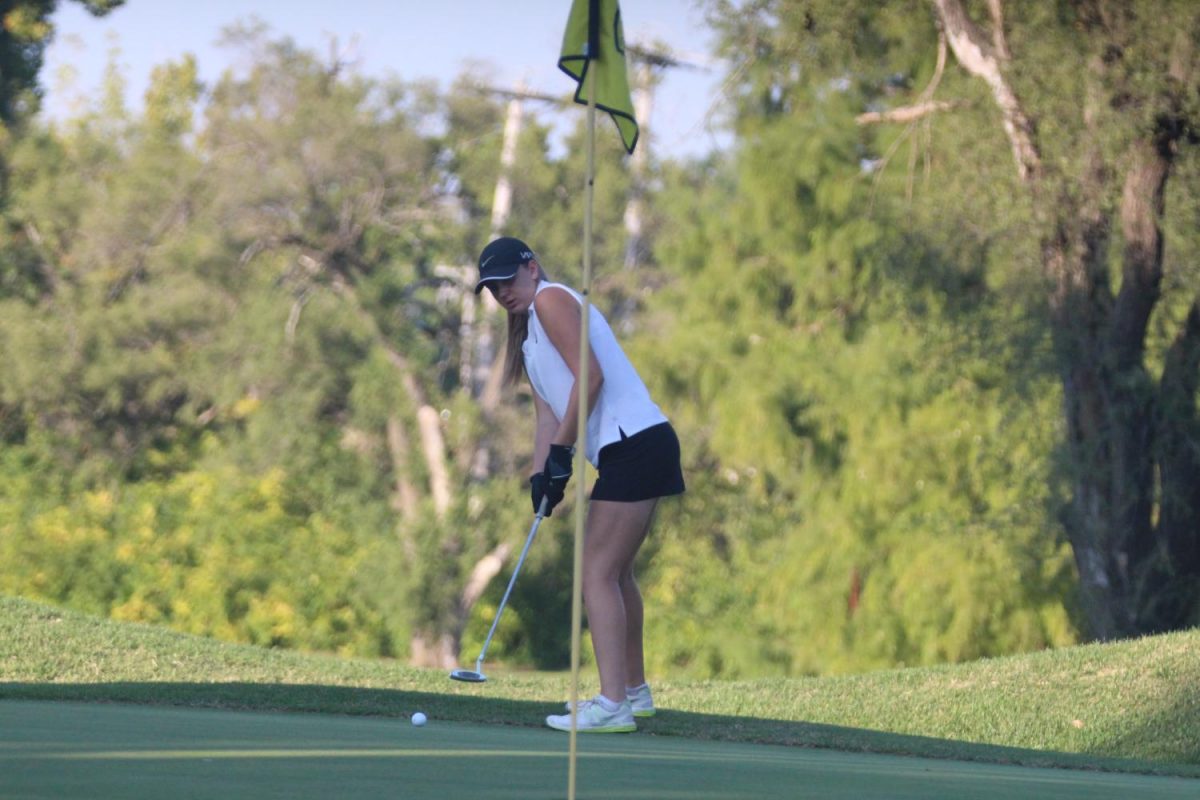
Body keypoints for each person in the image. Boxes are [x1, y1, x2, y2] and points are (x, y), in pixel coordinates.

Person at [473, 236, 685, 733]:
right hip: (632, 447)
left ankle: (612, 705)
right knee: (615, 573)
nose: (502, 292)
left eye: (508, 279)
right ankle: (634, 692)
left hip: (634, 441)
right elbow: (548, 416)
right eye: (492, 287)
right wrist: (541, 472)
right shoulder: (527, 342)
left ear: (531, 267)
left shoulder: (551, 298)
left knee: (596, 573)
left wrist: (564, 454)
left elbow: (591, 379)